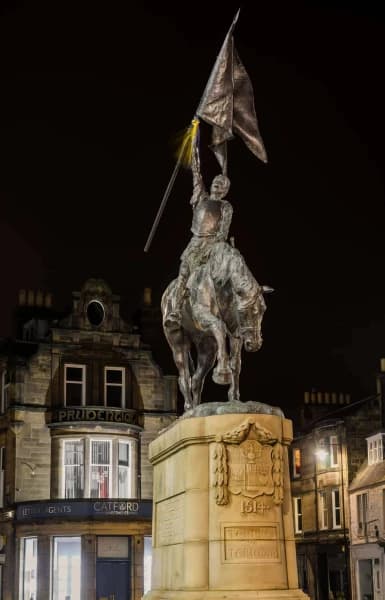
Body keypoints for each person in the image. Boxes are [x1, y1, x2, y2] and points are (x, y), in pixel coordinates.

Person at [165, 143, 233, 327]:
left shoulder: (225, 206)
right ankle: (176, 310)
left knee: (229, 273)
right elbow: (196, 172)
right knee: (183, 272)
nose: (218, 185)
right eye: (217, 182)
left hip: (213, 245)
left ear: (225, 191)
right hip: (195, 243)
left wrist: (213, 244)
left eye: (222, 185)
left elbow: (223, 231)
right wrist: (195, 142)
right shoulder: (201, 198)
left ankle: (232, 311)